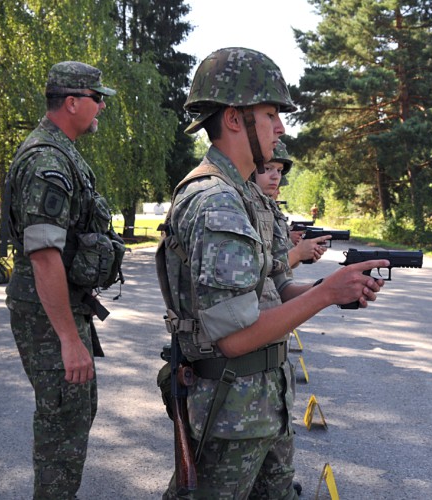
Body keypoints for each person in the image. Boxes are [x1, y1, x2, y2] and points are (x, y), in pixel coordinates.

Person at [156, 47, 387, 499]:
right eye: (270, 114)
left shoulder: (242, 195)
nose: (280, 127)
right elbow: (235, 337)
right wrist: (325, 294)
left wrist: (334, 288)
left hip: (260, 406)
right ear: (234, 119)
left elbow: (268, 292)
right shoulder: (217, 202)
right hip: (229, 415)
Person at [3, 61, 122, 499]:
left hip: (63, 307)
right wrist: (69, 340)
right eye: (97, 98)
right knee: (62, 428)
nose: (102, 106)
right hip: (51, 314)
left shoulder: (60, 152)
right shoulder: (47, 161)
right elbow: (44, 256)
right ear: (72, 103)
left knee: (75, 414)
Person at [254, 140, 329, 268]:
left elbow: (282, 265)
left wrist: (303, 253)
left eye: (279, 170)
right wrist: (298, 253)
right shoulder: (246, 206)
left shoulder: (268, 206)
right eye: (268, 168)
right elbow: (254, 270)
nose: (276, 177)